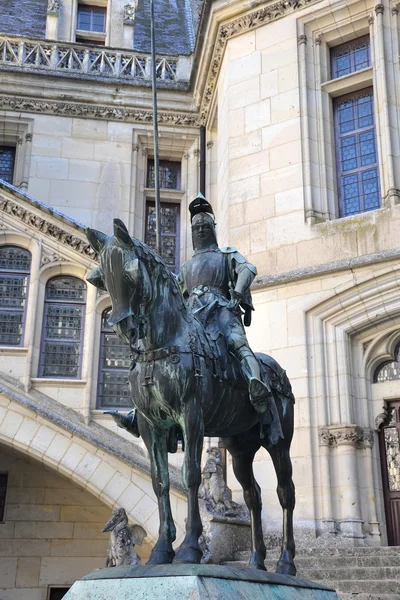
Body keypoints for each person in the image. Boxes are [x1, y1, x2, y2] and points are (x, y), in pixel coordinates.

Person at [177, 193, 273, 415]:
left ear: (213, 228)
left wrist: (237, 294)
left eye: (204, 225)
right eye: (196, 227)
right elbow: (176, 293)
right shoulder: (186, 266)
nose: (200, 229)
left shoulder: (226, 254)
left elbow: (248, 269)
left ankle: (255, 383)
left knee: (237, 342)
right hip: (192, 315)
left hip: (220, 309)